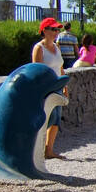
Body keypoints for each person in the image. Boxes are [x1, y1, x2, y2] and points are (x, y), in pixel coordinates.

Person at [31, 17, 67, 159]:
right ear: (44, 30)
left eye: (57, 29)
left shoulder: (56, 47)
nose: (56, 32)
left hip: (57, 87)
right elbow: (36, 70)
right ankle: (37, 149)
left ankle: (49, 150)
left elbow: (60, 68)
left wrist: (65, 86)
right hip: (45, 89)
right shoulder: (39, 48)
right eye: (53, 29)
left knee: (56, 119)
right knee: (47, 119)